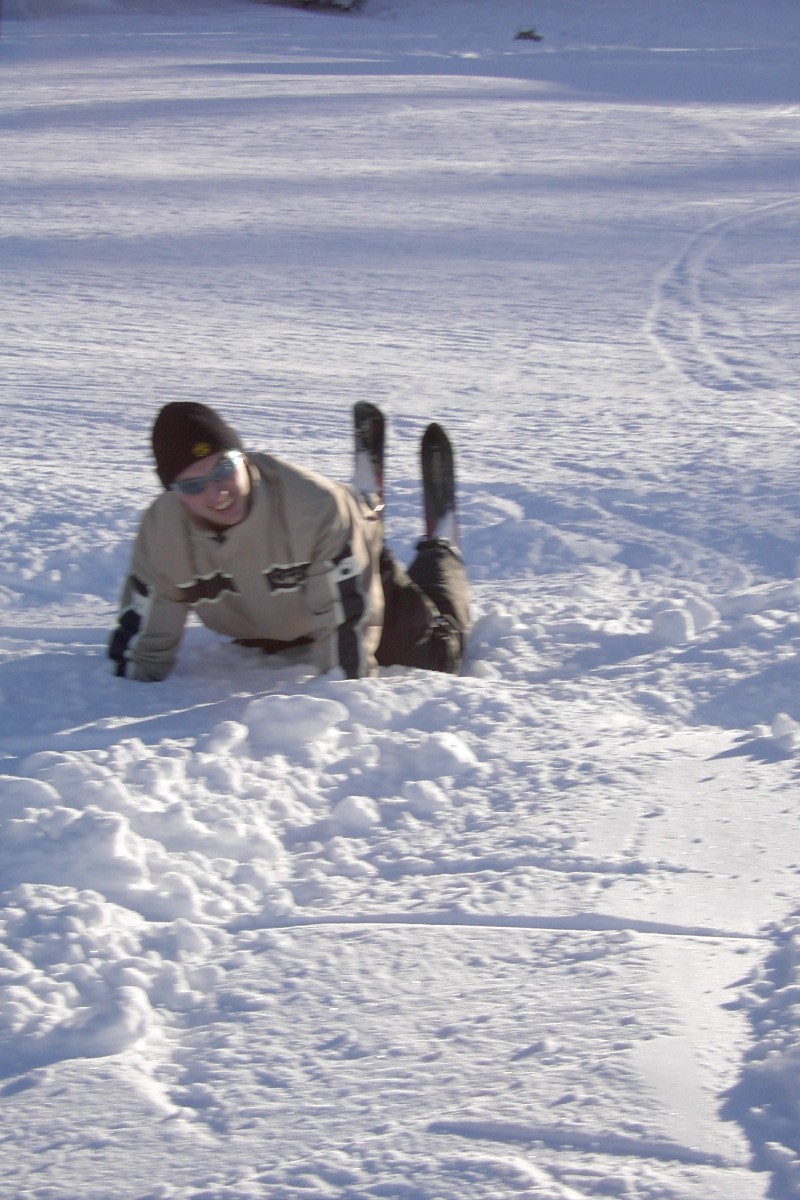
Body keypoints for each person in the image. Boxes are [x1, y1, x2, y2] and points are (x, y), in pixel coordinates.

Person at [109, 401, 470, 682]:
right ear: (173, 492)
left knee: (437, 657)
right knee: (275, 645)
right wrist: (126, 689)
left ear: (243, 458)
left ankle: (437, 549)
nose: (217, 493)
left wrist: (342, 700)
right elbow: (142, 646)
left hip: (350, 570)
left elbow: (346, 638)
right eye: (192, 485)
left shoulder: (313, 508)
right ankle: (360, 509)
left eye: (223, 470)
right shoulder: (162, 532)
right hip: (272, 613)